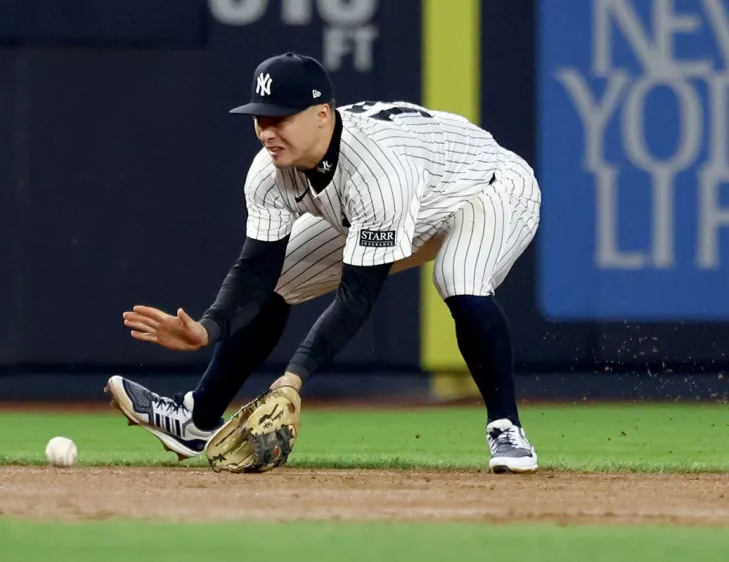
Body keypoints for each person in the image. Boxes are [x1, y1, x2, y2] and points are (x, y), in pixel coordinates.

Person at [105, 52, 541, 473]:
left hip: (486, 187)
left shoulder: (378, 171)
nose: (266, 132)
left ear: (322, 114)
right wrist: (207, 327)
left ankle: (507, 428)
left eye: (280, 118)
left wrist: (294, 378)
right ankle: (197, 420)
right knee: (278, 281)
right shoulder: (268, 170)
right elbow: (256, 270)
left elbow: (359, 296)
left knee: (457, 277)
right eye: (260, 118)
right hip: (400, 200)